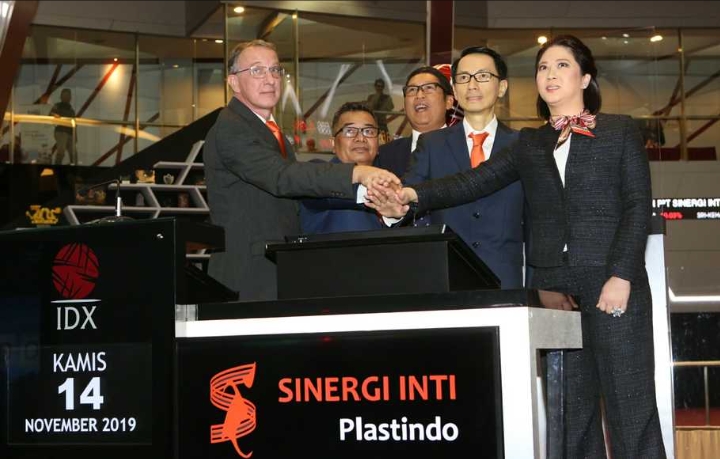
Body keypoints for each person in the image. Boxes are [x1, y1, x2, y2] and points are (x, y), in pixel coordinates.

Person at [369, 35, 666, 458]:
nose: (550, 74)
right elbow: (473, 181)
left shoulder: (619, 130)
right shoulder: (531, 143)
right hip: (555, 293)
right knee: (571, 419)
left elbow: (637, 206)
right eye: (543, 67)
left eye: (561, 66)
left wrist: (621, 274)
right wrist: (411, 195)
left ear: (585, 78)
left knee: (631, 409)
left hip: (611, 284)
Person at [203, 39, 399, 301]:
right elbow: (281, 176)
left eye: (275, 70)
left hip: (275, 271)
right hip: (249, 276)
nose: (270, 79)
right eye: (257, 70)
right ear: (234, 82)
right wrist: (356, 173)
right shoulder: (231, 128)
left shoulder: (269, 131)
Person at [403, 46, 526, 289]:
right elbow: (407, 199)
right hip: (446, 279)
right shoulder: (432, 144)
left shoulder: (524, 144)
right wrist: (391, 205)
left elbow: (536, 223)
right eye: (463, 78)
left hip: (507, 283)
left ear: (502, 87)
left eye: (483, 76)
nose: (472, 85)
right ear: (455, 90)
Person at [300, 102, 385, 234]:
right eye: (350, 131)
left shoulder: (387, 180)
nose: (361, 138)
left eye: (368, 131)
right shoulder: (318, 175)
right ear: (333, 143)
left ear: (378, 143)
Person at [375, 66, 454, 177]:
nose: (419, 95)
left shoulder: (468, 147)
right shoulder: (384, 155)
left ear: (449, 102)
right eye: (412, 90)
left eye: (429, 88)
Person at [49, 88, 77, 165]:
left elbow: (74, 124)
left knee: (73, 153)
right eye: (65, 96)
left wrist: (75, 136)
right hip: (61, 131)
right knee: (61, 151)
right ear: (61, 97)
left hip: (70, 133)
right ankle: (58, 167)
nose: (66, 97)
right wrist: (56, 116)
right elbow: (50, 114)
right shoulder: (57, 106)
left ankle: (74, 168)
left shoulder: (71, 109)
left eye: (68, 96)